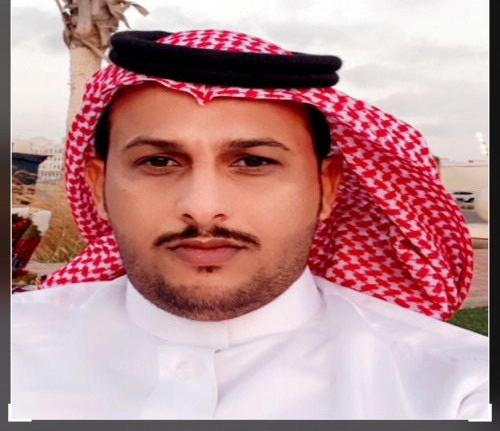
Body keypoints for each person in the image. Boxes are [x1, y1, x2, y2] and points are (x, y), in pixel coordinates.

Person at [11, 28, 488, 420]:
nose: (202, 208)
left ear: (326, 187)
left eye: (254, 162)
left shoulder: (456, 387)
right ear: (98, 187)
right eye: (158, 161)